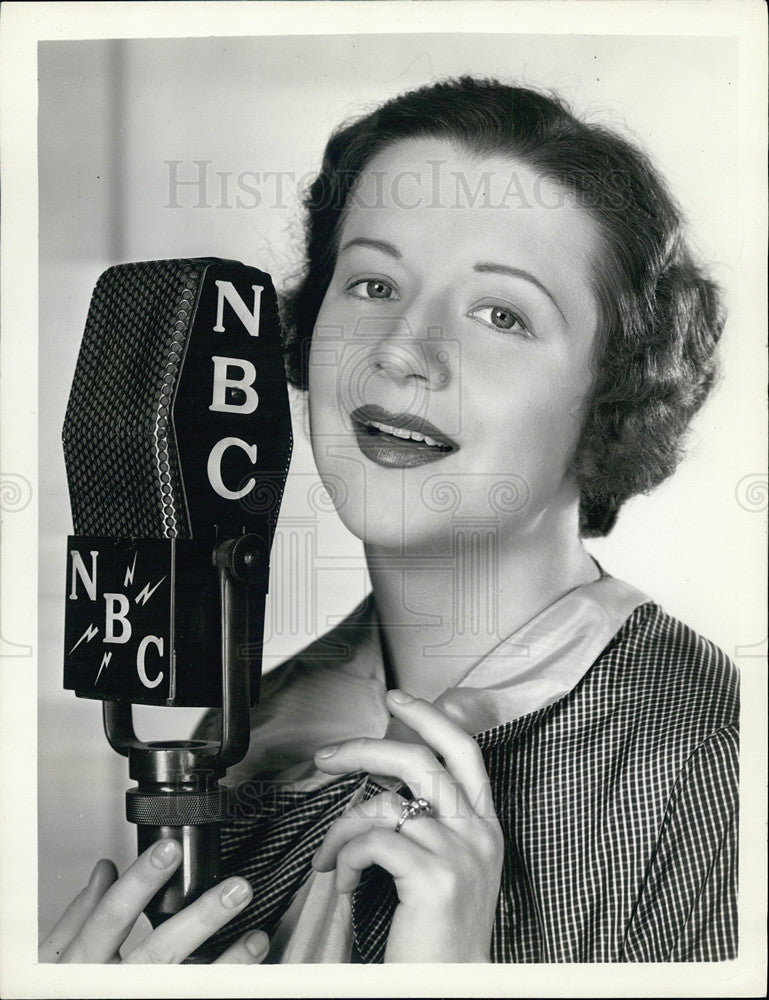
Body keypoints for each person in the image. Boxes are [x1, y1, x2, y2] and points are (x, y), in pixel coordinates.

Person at [40, 76, 738, 964]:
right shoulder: (243, 744)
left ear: (616, 397)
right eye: (371, 283)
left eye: (501, 314)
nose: (402, 351)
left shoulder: (710, 773)